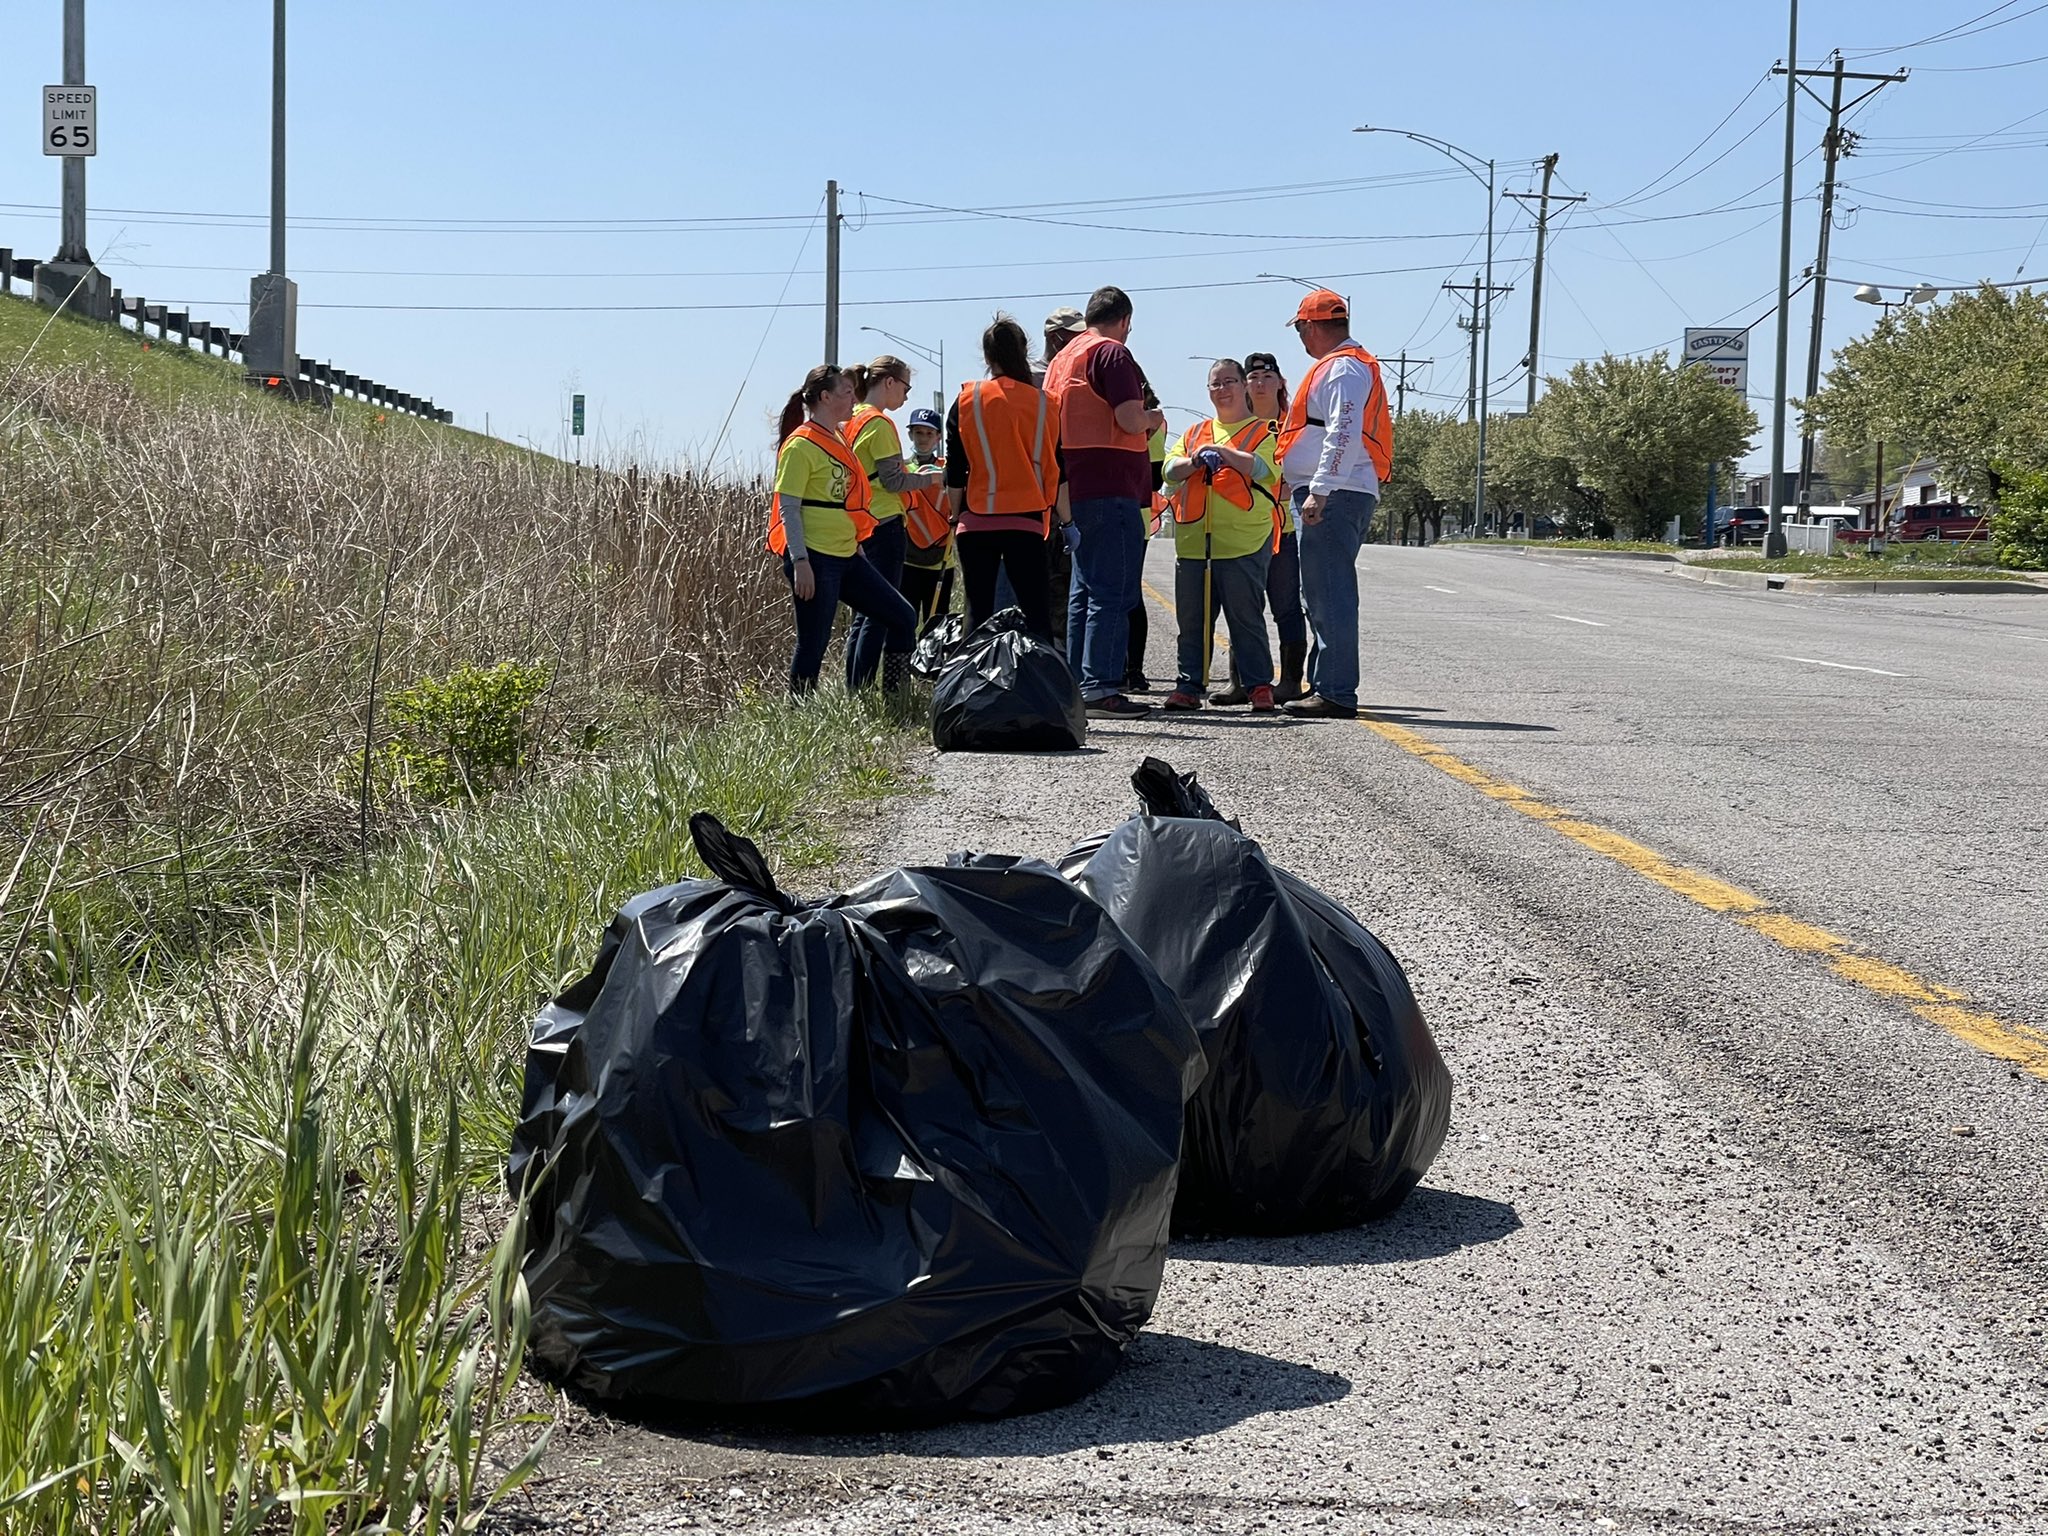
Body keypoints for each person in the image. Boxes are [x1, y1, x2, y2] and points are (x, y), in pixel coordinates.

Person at [1041, 285, 1165, 717]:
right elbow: (1129, 418)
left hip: (1074, 488)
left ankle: (1079, 683)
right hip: (1112, 487)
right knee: (1112, 590)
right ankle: (1101, 689)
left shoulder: (1063, 358)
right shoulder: (1112, 354)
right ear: (1126, 321)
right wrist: (1153, 419)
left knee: (1085, 589)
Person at [1275, 289, 1394, 720]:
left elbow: (1342, 432)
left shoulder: (1342, 368)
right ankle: (1326, 685)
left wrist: (1320, 489)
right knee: (1322, 592)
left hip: (1335, 494)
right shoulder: (1345, 365)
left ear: (1311, 326)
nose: (1300, 340)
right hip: (1334, 489)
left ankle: (1336, 691)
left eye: (1301, 330)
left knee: (1329, 593)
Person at [767, 364, 918, 696]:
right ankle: (798, 717)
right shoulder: (800, 445)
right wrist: (800, 560)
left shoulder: (837, 438)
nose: (854, 398)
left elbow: (844, 501)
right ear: (825, 397)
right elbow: (789, 508)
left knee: (902, 617)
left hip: (847, 554)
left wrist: (857, 544)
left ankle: (896, 698)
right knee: (813, 644)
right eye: (847, 392)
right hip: (816, 557)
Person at [1159, 358, 1281, 714]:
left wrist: (1224, 453)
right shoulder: (1194, 434)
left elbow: (1263, 469)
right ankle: (1188, 686)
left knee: (1246, 618)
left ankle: (1259, 685)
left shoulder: (1264, 431)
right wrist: (1196, 459)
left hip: (1243, 539)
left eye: (1229, 381)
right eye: (1215, 384)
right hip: (1195, 542)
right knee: (1192, 621)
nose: (1222, 389)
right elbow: (1169, 470)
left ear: (1243, 385)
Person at [945, 314, 1066, 637]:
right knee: (1037, 613)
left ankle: (970, 685)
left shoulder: (967, 400)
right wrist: (1066, 521)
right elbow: (1057, 468)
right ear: (1025, 352)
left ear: (987, 357)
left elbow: (955, 470)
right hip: (1026, 521)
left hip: (976, 520)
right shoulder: (1045, 404)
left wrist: (957, 517)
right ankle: (1036, 685)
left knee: (977, 612)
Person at [1209, 350, 1309, 704]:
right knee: (1244, 605)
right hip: (1244, 527)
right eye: (1253, 378)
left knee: (1285, 605)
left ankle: (1291, 681)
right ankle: (1242, 681)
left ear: (1280, 382)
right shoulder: (1238, 426)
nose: (1261, 384)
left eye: (1268, 377)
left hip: (1283, 527)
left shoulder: (1295, 421)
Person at [843, 356, 945, 688]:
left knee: (864, 612)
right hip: (885, 523)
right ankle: (875, 690)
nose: (905, 396)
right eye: (905, 387)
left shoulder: (853, 418)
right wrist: (932, 479)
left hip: (859, 522)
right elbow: (893, 481)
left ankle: (855, 688)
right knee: (886, 612)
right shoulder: (879, 424)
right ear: (889, 382)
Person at [898, 406, 954, 624]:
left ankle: (936, 660)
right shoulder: (901, 469)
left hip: (941, 560)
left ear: (938, 437)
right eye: (919, 432)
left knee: (938, 626)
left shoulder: (948, 468)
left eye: (929, 433)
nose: (923, 438)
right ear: (910, 434)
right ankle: (904, 659)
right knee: (904, 622)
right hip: (908, 559)